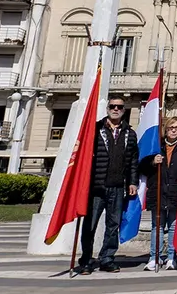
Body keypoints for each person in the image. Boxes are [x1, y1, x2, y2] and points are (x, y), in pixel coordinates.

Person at [76, 96, 139, 275]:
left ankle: (107, 259)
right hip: (95, 187)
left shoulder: (130, 133)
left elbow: (133, 160)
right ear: (108, 109)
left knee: (113, 225)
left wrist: (132, 181)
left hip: (118, 186)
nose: (116, 109)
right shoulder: (95, 130)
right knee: (90, 225)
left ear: (124, 110)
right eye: (113, 106)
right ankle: (86, 260)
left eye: (119, 107)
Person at [142, 117, 177, 271]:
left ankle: (171, 257)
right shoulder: (156, 145)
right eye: (170, 127)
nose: (174, 130)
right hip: (158, 191)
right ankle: (154, 257)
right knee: (158, 226)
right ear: (165, 129)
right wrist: (153, 162)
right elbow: (142, 167)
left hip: (176, 191)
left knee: (174, 226)